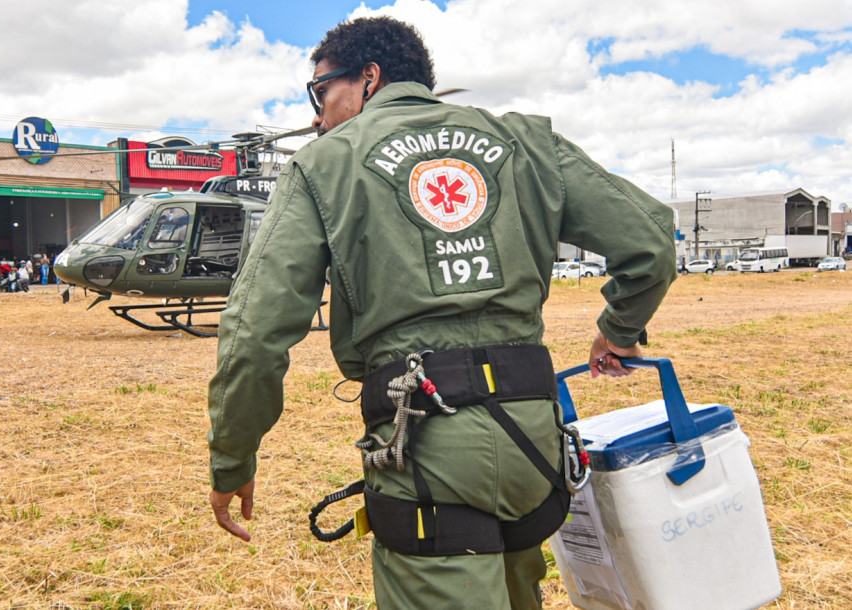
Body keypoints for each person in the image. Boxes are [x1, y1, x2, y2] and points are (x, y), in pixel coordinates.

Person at [206, 16, 677, 609]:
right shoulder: (528, 142)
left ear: (368, 78)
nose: (319, 116)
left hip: (425, 448)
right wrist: (619, 331)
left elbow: (253, 334)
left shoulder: (322, 165)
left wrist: (232, 458)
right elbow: (653, 241)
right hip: (534, 441)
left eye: (321, 92)